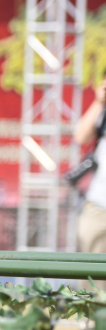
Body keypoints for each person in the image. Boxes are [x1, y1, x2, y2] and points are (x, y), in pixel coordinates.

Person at [73, 77, 106, 255]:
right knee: (91, 276)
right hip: (99, 204)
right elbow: (80, 136)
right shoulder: (102, 110)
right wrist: (98, 101)